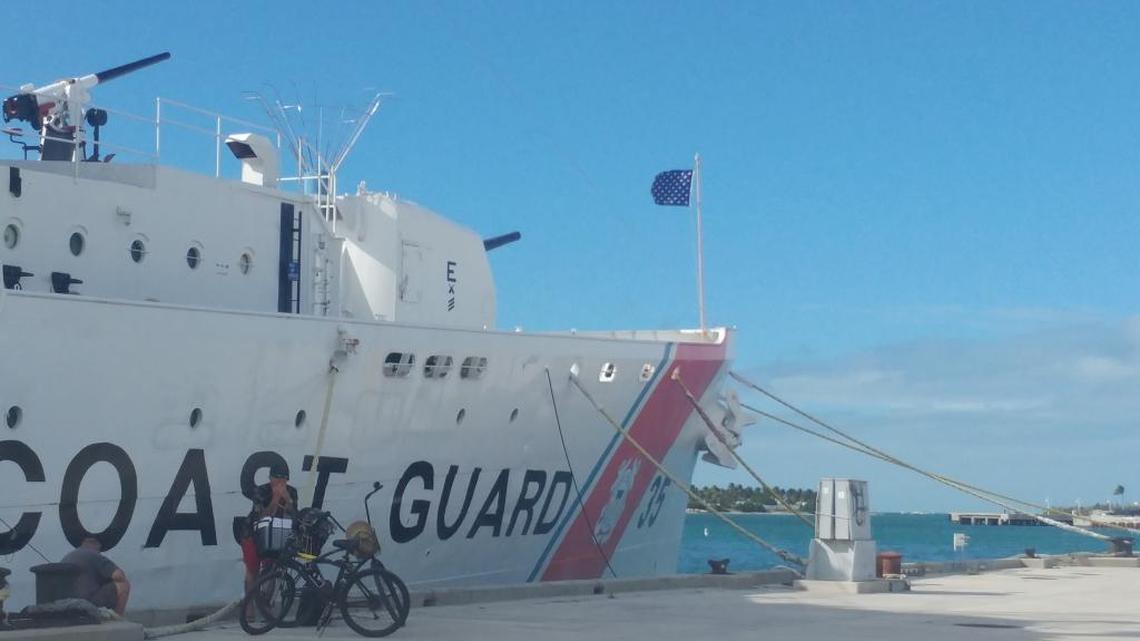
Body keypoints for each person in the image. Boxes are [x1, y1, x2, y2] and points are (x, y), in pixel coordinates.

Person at [239, 463, 299, 596]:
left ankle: (266, 604)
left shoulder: (292, 492)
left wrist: (288, 500)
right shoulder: (261, 491)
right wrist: (276, 497)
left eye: (283, 478)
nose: (280, 481)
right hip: (254, 534)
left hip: (275, 534)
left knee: (272, 569)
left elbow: (295, 515)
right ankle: (249, 608)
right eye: (276, 477)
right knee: (252, 570)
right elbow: (262, 515)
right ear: (270, 477)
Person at [62, 537, 130, 616]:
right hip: (86, 604)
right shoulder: (94, 555)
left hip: (66, 606)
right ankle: (117, 619)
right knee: (123, 585)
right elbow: (119, 576)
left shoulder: (68, 556)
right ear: (97, 547)